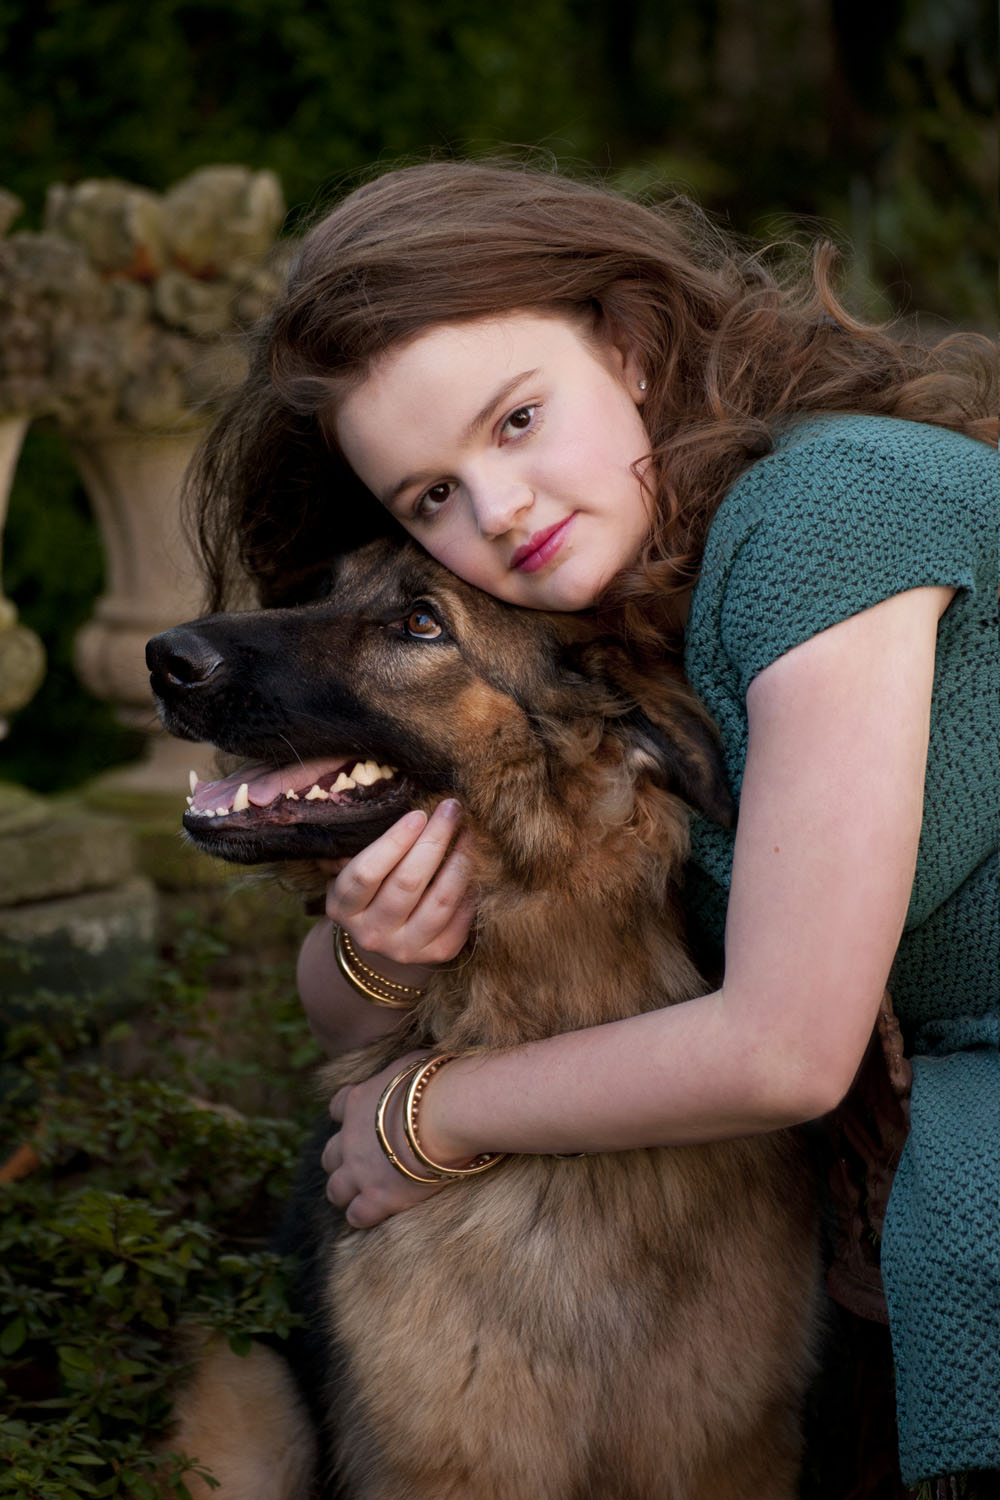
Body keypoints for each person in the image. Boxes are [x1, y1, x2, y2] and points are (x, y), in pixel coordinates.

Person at [190, 160, 998, 1490]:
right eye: (431, 496)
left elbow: (785, 1047)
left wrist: (428, 1116)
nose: (498, 509)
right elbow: (358, 1005)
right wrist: (377, 951)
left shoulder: (826, 515)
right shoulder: (621, 594)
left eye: (517, 419)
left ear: (628, 342)